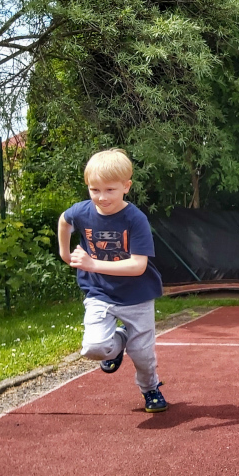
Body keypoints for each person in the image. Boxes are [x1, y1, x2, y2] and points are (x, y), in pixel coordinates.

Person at [58, 149, 167, 413]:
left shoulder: (135, 219)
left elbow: (138, 265)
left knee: (142, 354)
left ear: (126, 187)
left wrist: (93, 263)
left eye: (110, 190)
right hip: (99, 292)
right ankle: (118, 342)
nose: (101, 197)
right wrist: (64, 253)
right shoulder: (82, 212)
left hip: (137, 295)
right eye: (94, 190)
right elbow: (64, 221)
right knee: (94, 348)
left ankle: (150, 389)